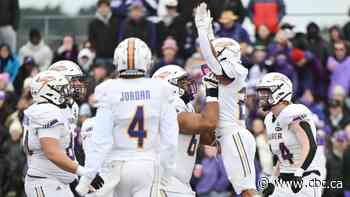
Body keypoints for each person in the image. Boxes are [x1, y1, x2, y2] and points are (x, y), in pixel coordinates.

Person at [75, 38, 179, 197]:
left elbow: (100, 140)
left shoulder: (109, 89)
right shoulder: (160, 88)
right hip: (147, 164)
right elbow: (170, 139)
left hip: (116, 167)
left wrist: (87, 178)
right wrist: (168, 171)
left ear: (118, 61)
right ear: (146, 61)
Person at [195, 3, 257, 196]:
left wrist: (201, 30)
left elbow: (212, 59)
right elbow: (213, 56)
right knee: (242, 190)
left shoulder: (236, 70)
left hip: (234, 134)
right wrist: (208, 32)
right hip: (226, 136)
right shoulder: (229, 69)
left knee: (247, 190)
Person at [23, 70, 103, 197]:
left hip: (55, 182)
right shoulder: (46, 111)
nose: (67, 92)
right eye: (62, 89)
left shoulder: (47, 109)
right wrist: (85, 172)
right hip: (45, 183)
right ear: (49, 91)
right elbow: (52, 152)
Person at [152, 64, 219, 197]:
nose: (188, 85)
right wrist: (212, 94)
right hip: (164, 184)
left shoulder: (187, 107)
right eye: (183, 82)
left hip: (179, 184)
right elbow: (208, 122)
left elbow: (213, 140)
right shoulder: (168, 107)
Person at [256, 72, 326, 197]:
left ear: (280, 92)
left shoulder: (293, 112)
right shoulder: (269, 119)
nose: (262, 96)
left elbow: (310, 145)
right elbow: (282, 156)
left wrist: (299, 173)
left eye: (265, 92)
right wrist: (272, 180)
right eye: (261, 92)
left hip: (306, 176)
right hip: (284, 179)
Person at [88, 0, 121, 65]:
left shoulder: (116, 22)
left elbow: (119, 38)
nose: (103, 9)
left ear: (109, 8)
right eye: (101, 7)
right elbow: (91, 39)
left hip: (114, 57)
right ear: (98, 9)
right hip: (100, 58)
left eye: (105, 7)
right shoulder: (93, 24)